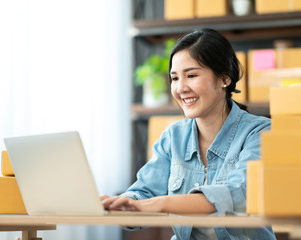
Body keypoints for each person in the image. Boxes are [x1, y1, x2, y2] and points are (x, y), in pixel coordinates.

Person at [101, 28, 276, 240]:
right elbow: (144, 192)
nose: (180, 88)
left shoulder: (260, 132)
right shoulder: (173, 137)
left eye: (191, 75)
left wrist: (161, 203)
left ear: (224, 78)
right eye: (175, 78)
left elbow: (238, 193)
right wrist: (122, 204)